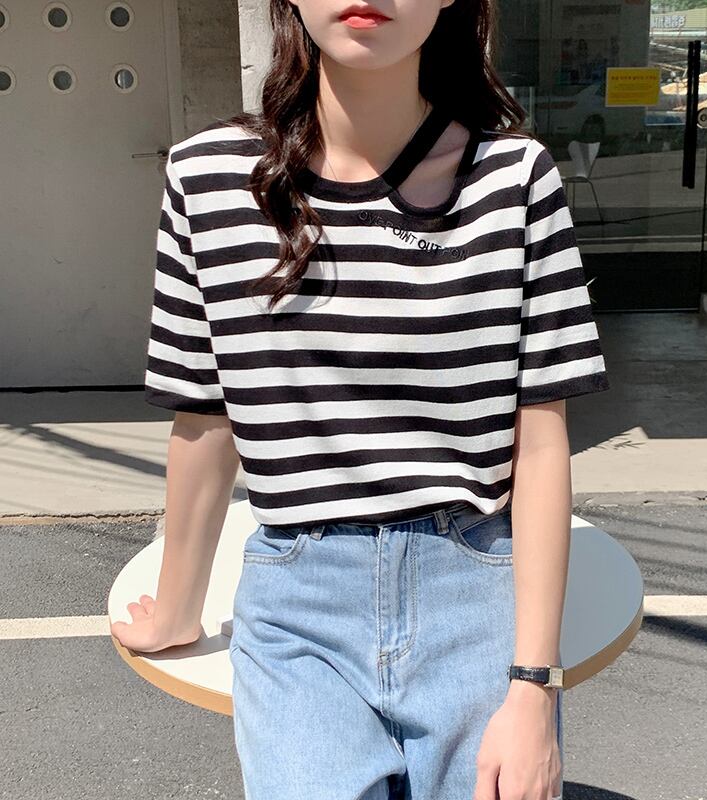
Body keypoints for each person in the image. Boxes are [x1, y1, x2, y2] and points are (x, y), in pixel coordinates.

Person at [111, 0, 611, 798]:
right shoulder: (204, 179)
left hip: (474, 586)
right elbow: (205, 413)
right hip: (297, 602)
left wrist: (533, 685)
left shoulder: (514, 178)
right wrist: (177, 606)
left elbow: (540, 437)